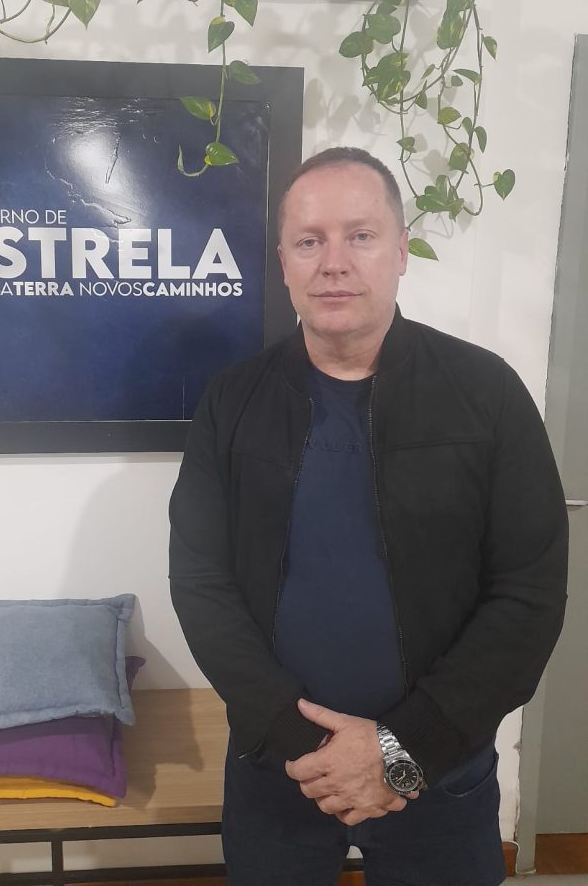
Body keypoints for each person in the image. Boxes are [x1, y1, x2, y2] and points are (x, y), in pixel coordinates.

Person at [168, 147, 568, 886]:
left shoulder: (487, 395)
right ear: (283, 263)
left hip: (437, 769)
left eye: (360, 235)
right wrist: (306, 746)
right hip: (280, 767)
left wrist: (399, 752)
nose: (334, 263)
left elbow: (528, 593)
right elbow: (201, 583)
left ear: (401, 252)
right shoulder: (232, 403)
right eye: (308, 241)